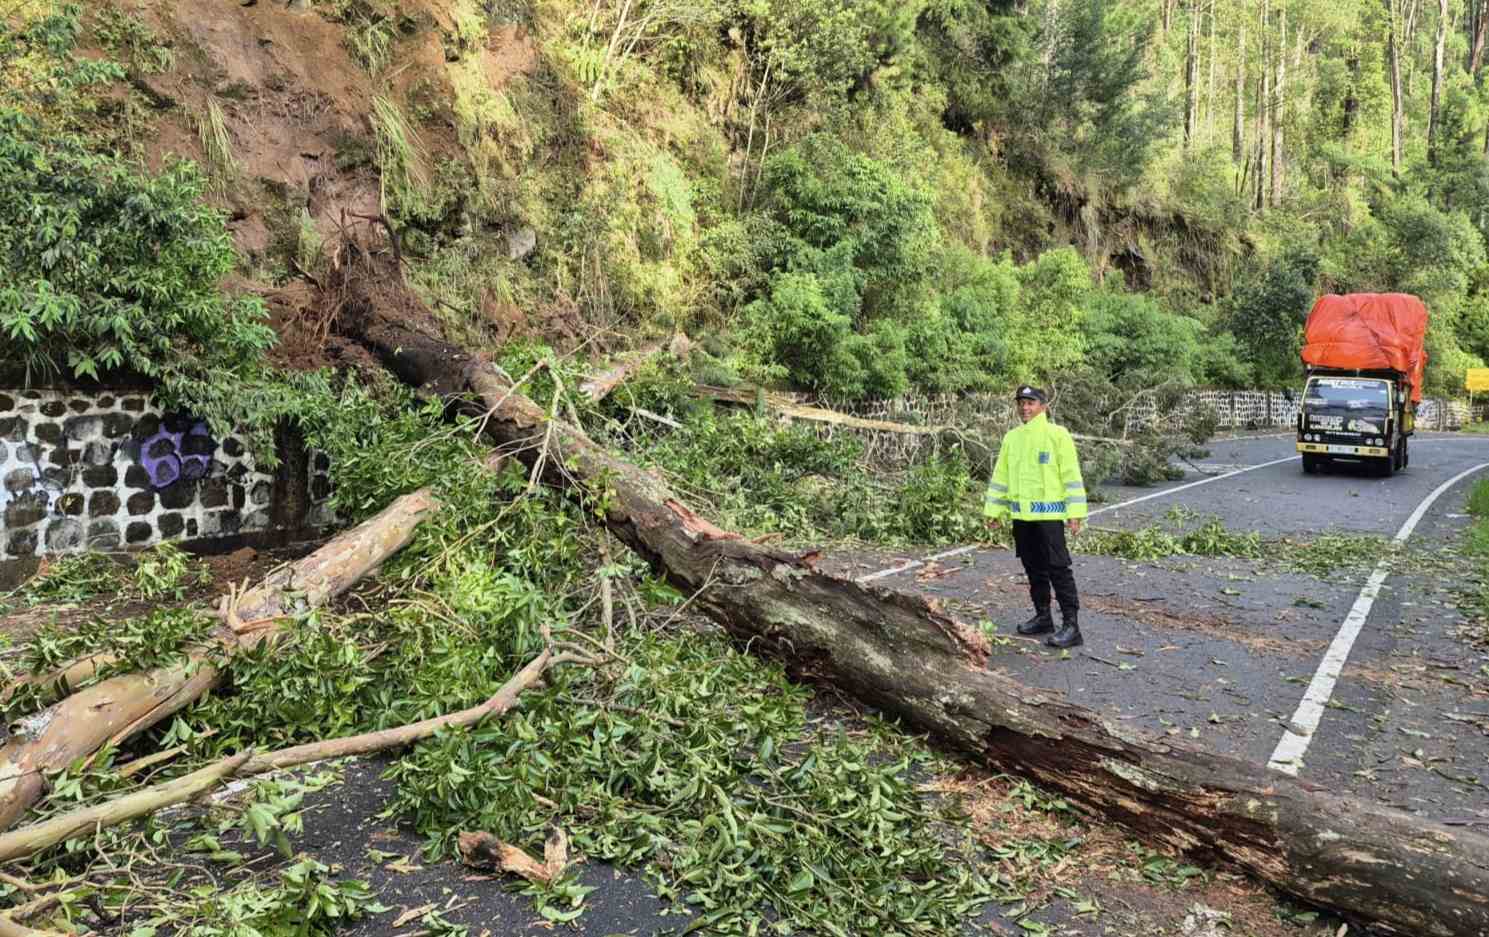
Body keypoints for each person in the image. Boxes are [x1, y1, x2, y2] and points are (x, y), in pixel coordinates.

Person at [983, 385, 1087, 648]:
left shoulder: (1057, 435)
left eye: (1031, 403)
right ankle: (1043, 617)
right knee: (1033, 568)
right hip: (1023, 518)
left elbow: (1071, 476)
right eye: (1021, 403)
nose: (1025, 408)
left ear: (1044, 406)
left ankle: (1072, 626)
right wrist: (994, 510)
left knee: (1058, 569)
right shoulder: (1012, 438)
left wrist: (1075, 514)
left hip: (1050, 518)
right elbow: (1001, 477)